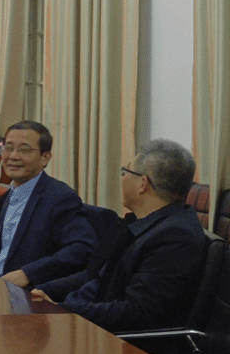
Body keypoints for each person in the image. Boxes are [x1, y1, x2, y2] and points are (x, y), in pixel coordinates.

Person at [31, 139, 206, 332]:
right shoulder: (142, 223)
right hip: (84, 319)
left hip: (111, 340)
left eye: (126, 172)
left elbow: (135, 313)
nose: (122, 179)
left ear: (142, 183)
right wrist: (41, 291)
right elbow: (95, 276)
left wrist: (61, 311)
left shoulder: (175, 238)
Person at [0, 121, 96, 288]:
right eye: (8, 148)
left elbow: (82, 248)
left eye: (24, 150)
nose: (13, 156)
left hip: (22, 291)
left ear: (45, 158)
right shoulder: (10, 193)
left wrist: (28, 273)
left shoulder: (59, 197)